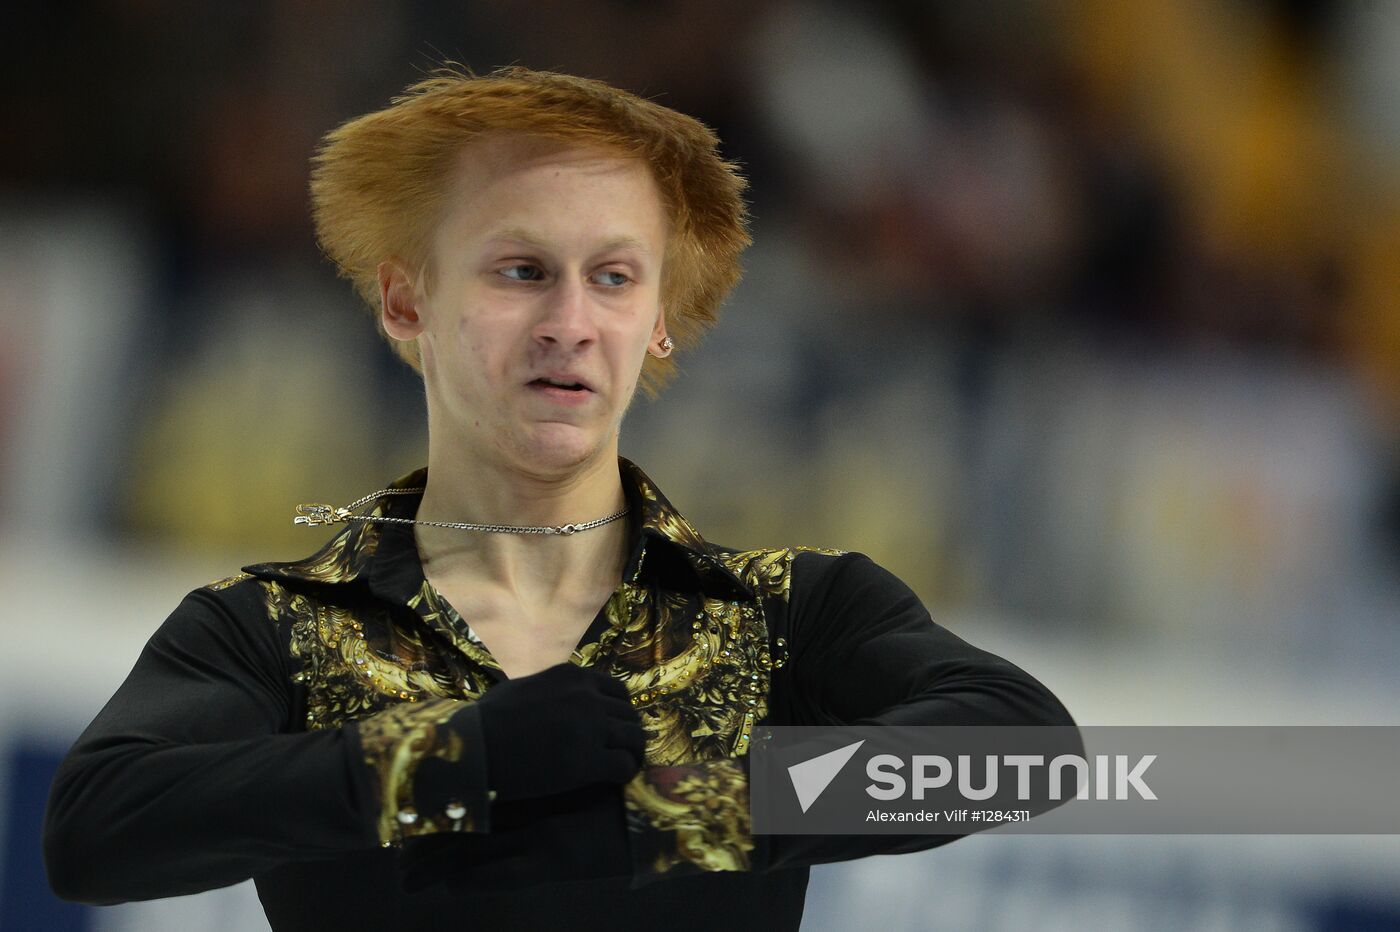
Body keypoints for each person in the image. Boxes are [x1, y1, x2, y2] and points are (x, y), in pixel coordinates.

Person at [43, 65, 1076, 931]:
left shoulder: (785, 617)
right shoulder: (280, 630)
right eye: (521, 269)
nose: (568, 322)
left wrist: (672, 802)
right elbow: (95, 828)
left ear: (660, 319)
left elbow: (1019, 750)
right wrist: (448, 758)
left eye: (615, 277)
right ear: (409, 299)